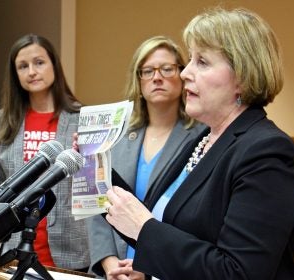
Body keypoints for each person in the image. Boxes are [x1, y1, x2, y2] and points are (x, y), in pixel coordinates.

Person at [103, 8, 294, 280]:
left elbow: (237, 273)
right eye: (189, 60)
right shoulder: (203, 139)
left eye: (202, 62)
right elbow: (152, 223)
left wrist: (145, 229)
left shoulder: (268, 153)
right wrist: (95, 164)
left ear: (243, 78)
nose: (185, 73)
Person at [83, 36, 206, 279]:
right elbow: (98, 203)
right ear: (138, 81)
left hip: (165, 268)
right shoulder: (116, 135)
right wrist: (108, 262)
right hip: (116, 268)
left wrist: (150, 267)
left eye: (167, 69)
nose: (157, 77)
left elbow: (194, 218)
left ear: (182, 74)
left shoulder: (202, 136)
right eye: (147, 71)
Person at [0, 34, 91, 271]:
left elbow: (90, 183)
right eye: (23, 66)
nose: (32, 71)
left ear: (54, 65)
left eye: (39, 62)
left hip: (69, 248)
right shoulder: (2, 121)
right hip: (14, 246)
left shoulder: (81, 117)